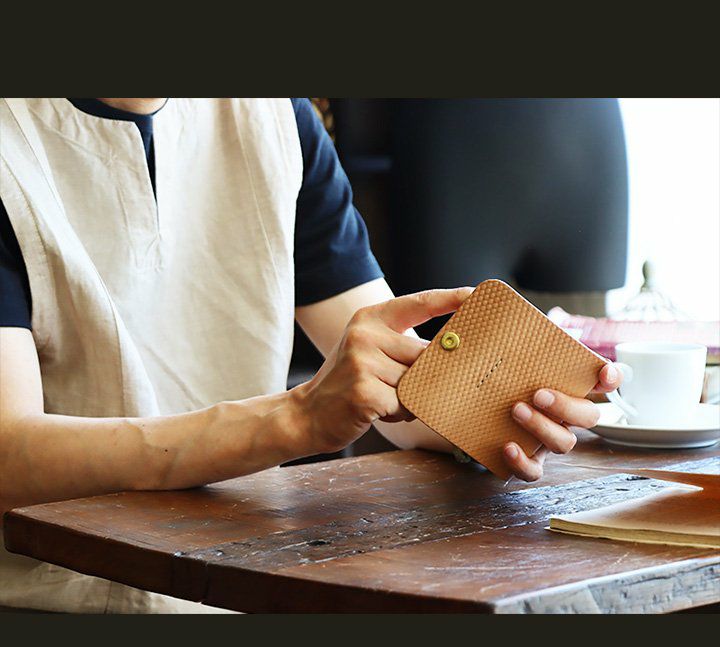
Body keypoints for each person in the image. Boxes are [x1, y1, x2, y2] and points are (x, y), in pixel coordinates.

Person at [0, 98, 621, 613]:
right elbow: (9, 455)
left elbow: (397, 385)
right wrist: (297, 418)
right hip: (60, 593)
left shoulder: (275, 115)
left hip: (246, 577)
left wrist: (503, 409)